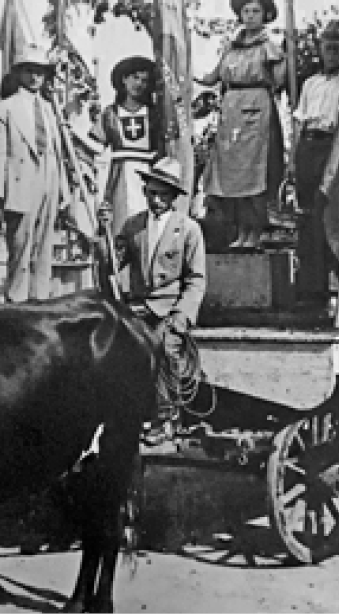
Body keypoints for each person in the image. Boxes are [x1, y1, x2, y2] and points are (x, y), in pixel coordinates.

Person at [115, 157, 206, 444]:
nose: (156, 200)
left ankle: (166, 419)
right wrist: (101, 237)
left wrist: (182, 316)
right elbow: (110, 263)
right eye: (152, 193)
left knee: (166, 350)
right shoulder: (133, 227)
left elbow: (196, 280)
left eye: (163, 195)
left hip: (169, 309)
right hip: (137, 308)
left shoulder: (188, 230)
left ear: (174, 198)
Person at [195, 0, 286, 252]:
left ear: (265, 15)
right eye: (246, 11)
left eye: (256, 11)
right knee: (231, 177)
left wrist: (284, 63)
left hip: (256, 109)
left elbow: (280, 81)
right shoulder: (230, 47)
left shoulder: (269, 47)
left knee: (254, 175)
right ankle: (240, 231)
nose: (250, 16)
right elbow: (212, 77)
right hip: (231, 111)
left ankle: (255, 231)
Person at [0, 44, 72, 302]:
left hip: (48, 180)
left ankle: (40, 302)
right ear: (19, 73)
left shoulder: (50, 110)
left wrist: (63, 189)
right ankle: (17, 302)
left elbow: (57, 152)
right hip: (21, 182)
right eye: (30, 71)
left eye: (41, 72)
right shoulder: (4, 109)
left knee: (44, 249)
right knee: (21, 248)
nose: (35, 78)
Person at [291, 19, 339, 303]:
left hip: (332, 145)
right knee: (306, 215)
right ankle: (310, 285)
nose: (333, 54)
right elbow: (299, 124)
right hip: (308, 146)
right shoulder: (310, 84)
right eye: (328, 48)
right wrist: (293, 161)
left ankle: (333, 281)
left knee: (326, 211)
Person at [89, 55, 161, 236]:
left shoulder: (155, 114)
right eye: (135, 78)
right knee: (119, 225)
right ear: (124, 79)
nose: (139, 84)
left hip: (148, 174)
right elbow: (94, 147)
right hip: (119, 176)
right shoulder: (110, 114)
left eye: (145, 80)